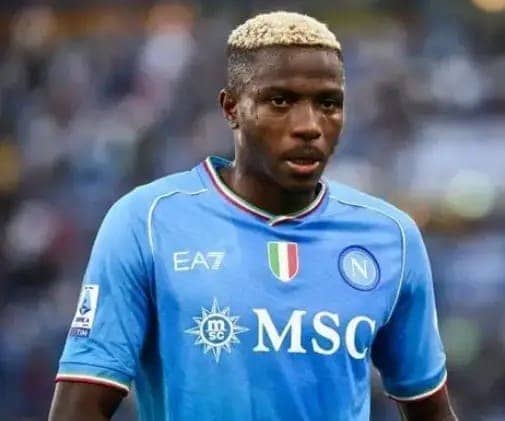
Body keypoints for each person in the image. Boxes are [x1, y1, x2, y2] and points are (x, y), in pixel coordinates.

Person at [49, 11, 457, 421]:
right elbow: (78, 409)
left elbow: (432, 412)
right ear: (231, 108)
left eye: (328, 103)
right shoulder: (147, 222)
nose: (309, 126)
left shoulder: (390, 237)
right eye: (280, 101)